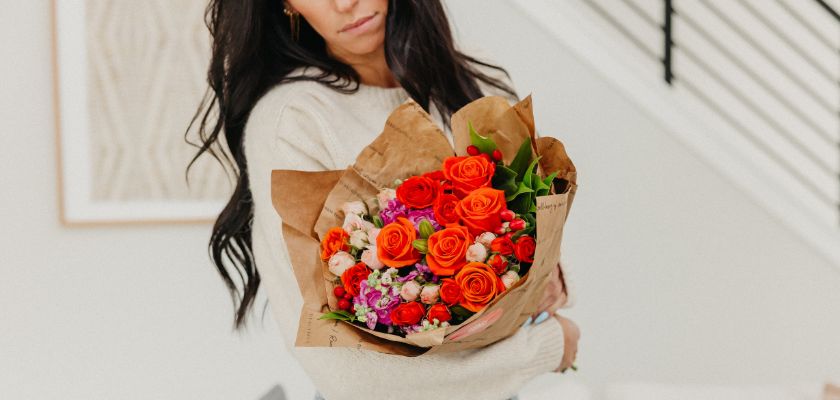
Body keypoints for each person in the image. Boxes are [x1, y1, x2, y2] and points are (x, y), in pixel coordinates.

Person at [186, 1, 579, 399]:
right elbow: (351, 378)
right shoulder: (294, 120)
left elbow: (543, 277)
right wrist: (545, 347)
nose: (345, 3)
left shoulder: (474, 84)